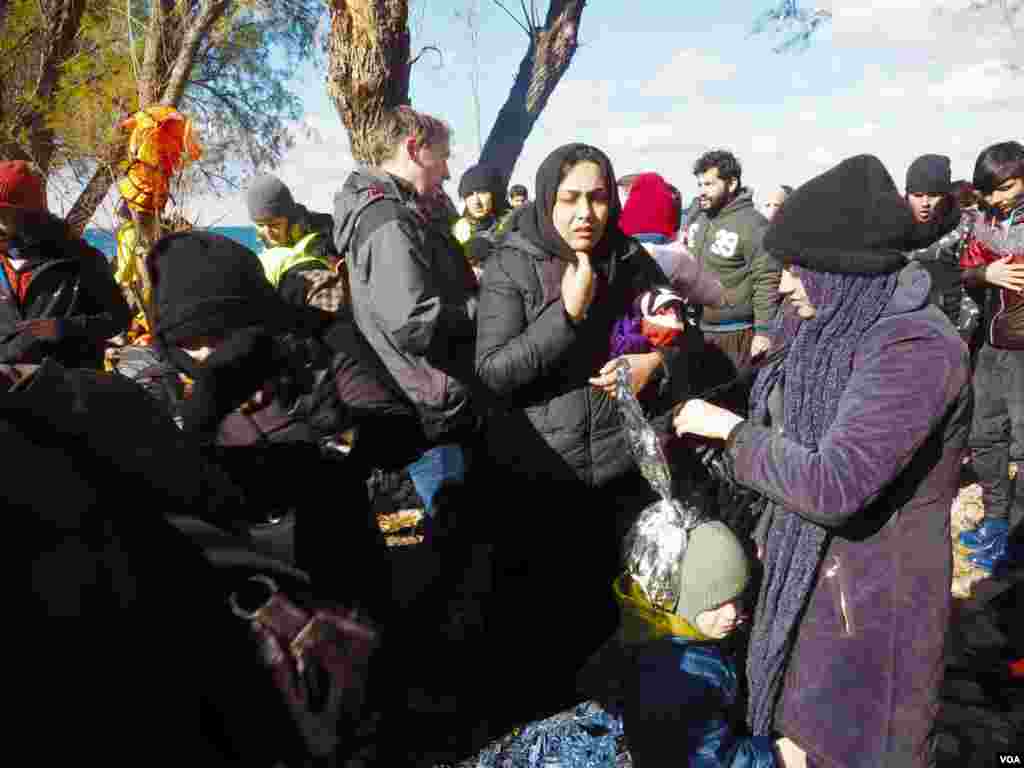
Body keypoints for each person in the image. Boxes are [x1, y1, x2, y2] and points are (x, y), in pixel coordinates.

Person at [673, 154, 971, 768]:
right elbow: (771, 401)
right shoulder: (828, 321)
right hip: (810, 579)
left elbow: (836, 484)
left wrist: (732, 435)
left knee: (856, 747)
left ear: (842, 270)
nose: (782, 284)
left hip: (871, 609)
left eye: (795, 269)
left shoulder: (917, 347)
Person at [475, 143, 694, 705]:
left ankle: (617, 716)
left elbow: (681, 335)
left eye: (597, 198)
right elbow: (493, 372)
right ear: (548, 198)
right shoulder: (512, 262)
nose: (584, 214)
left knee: (612, 611)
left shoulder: (629, 257)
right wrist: (566, 315)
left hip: (621, 471)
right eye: (570, 198)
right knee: (548, 622)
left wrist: (655, 364)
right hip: (543, 475)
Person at [150, 230, 424, 611]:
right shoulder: (169, 389)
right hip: (259, 596)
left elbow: (401, 435)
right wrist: (200, 422)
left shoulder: (320, 346)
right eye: (189, 344)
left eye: (218, 336)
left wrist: (336, 437)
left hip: (350, 573)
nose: (206, 354)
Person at [334, 106, 479, 519]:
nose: (447, 171)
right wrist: (484, 306)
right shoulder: (389, 220)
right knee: (454, 527)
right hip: (429, 400)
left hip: (425, 393)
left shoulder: (399, 212)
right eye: (442, 157)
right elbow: (414, 321)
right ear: (413, 149)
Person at [616, 520, 794, 768]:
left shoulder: (674, 633)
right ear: (685, 603)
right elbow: (711, 762)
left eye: (737, 598)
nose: (732, 613)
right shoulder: (682, 676)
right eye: (715, 604)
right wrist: (777, 756)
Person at [957, 141, 1024, 574]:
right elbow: (964, 272)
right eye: (991, 190)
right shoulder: (986, 221)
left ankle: (1017, 535)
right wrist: (987, 272)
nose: (997, 197)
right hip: (992, 346)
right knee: (984, 438)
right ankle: (997, 520)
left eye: (1007, 187)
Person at [0, 160, 131, 369]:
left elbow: (118, 319)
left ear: (30, 216)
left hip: (68, 384)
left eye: (4, 214)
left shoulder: (81, 260)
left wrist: (63, 328)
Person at [686, 150, 779, 410]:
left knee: (732, 408)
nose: (702, 191)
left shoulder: (753, 225)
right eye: (700, 184)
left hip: (736, 336)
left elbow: (766, 278)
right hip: (698, 332)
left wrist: (763, 331)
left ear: (732, 183)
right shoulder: (698, 218)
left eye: (709, 184)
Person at [247, 174, 347, 313]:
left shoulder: (328, 238)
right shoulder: (266, 251)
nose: (267, 233)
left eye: (274, 225)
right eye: (260, 225)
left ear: (290, 219)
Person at [901, 154, 972, 328]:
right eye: (917, 195)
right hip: (903, 326)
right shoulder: (889, 228)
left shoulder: (965, 227)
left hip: (954, 326)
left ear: (945, 196)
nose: (925, 203)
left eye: (933, 195)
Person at [453, 163, 509, 277]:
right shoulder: (457, 231)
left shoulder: (511, 225)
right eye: (469, 194)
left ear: (495, 194)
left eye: (482, 192)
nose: (476, 202)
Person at [619, 172, 681, 246]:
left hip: (634, 236)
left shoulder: (635, 197)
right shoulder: (668, 193)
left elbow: (624, 220)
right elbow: (675, 218)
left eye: (625, 190)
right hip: (661, 236)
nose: (625, 193)